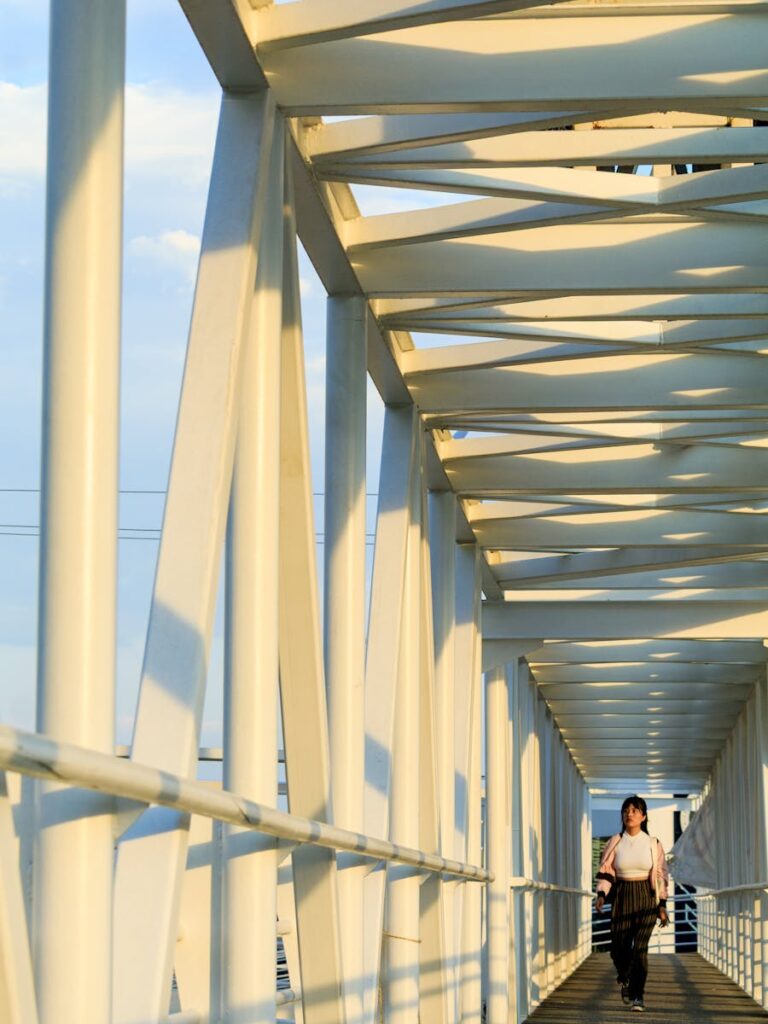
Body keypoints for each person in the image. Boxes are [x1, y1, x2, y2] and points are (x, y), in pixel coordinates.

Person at [594, 795, 670, 1013]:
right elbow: (607, 871)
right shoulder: (615, 841)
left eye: (635, 810)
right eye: (626, 810)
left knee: (640, 948)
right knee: (618, 948)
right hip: (622, 895)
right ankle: (625, 976)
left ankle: (638, 995)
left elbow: (660, 875)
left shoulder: (653, 843)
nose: (630, 814)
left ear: (643, 816)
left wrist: (662, 905)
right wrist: (601, 895)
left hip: (646, 897)